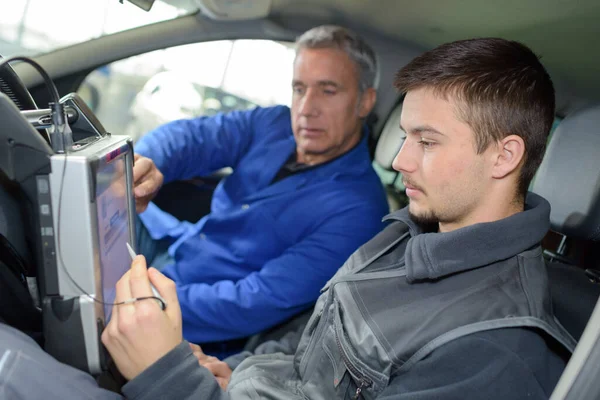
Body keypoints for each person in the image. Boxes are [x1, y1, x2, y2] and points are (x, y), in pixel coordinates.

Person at [0, 37, 577, 399]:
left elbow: (259, 302)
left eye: (425, 141)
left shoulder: (498, 351)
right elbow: (307, 351)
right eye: (405, 138)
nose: (399, 164)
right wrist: (239, 375)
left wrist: (169, 370)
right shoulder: (405, 237)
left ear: (505, 156)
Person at [130, 25, 389, 351]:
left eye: (328, 90)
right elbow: (193, 138)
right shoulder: (274, 124)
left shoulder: (360, 210)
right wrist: (145, 164)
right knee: (91, 203)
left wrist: (142, 297)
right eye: (299, 89)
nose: (307, 108)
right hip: (178, 246)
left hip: (196, 311)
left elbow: (252, 302)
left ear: (364, 102)